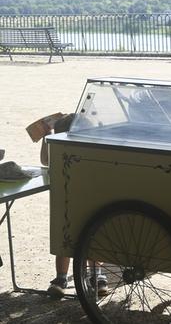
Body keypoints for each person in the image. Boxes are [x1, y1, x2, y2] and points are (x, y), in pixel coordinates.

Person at [40, 114, 109, 299]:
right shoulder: (93, 148)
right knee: (93, 238)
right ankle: (98, 277)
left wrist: (47, 137)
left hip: (67, 206)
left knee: (65, 240)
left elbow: (45, 161)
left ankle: (61, 279)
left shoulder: (60, 151)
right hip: (91, 204)